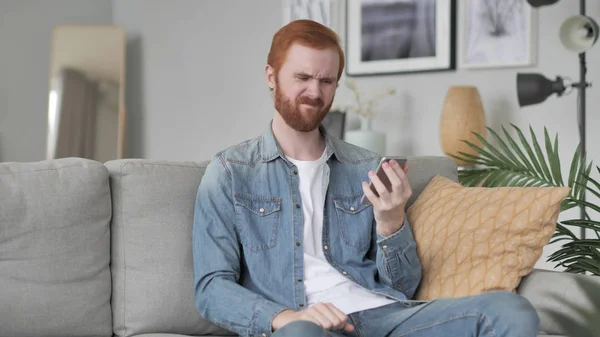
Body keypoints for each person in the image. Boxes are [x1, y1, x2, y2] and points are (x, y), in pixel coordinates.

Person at [192, 19, 540, 337]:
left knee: (508, 310)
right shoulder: (230, 172)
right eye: (302, 78)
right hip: (305, 326)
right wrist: (286, 318)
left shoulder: (365, 166)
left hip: (383, 317)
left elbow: (402, 287)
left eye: (326, 81)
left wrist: (391, 222)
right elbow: (211, 288)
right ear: (272, 76)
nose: (315, 92)